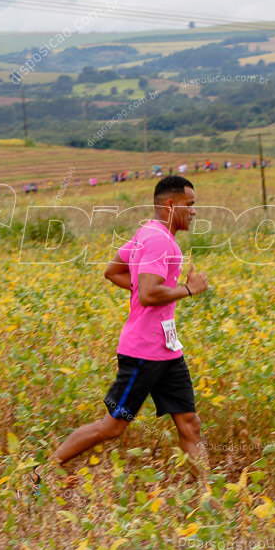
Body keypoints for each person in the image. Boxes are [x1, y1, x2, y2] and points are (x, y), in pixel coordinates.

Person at [38, 176, 210, 488]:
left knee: (190, 424)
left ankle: (206, 499)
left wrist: (145, 289)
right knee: (112, 427)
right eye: (190, 205)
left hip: (168, 351)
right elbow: (148, 294)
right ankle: (41, 473)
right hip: (143, 353)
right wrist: (188, 289)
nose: (194, 212)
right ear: (171, 205)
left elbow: (113, 271)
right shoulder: (159, 240)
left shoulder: (149, 233)